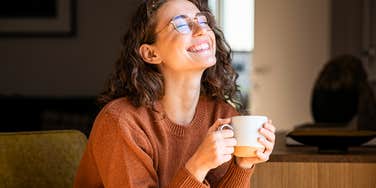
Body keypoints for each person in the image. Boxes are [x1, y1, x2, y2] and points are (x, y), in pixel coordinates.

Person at [74, 0, 276, 187]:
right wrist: (198, 166)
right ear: (151, 53)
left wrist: (242, 166)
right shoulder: (121, 122)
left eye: (203, 21)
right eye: (180, 24)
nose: (201, 31)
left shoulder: (222, 115)